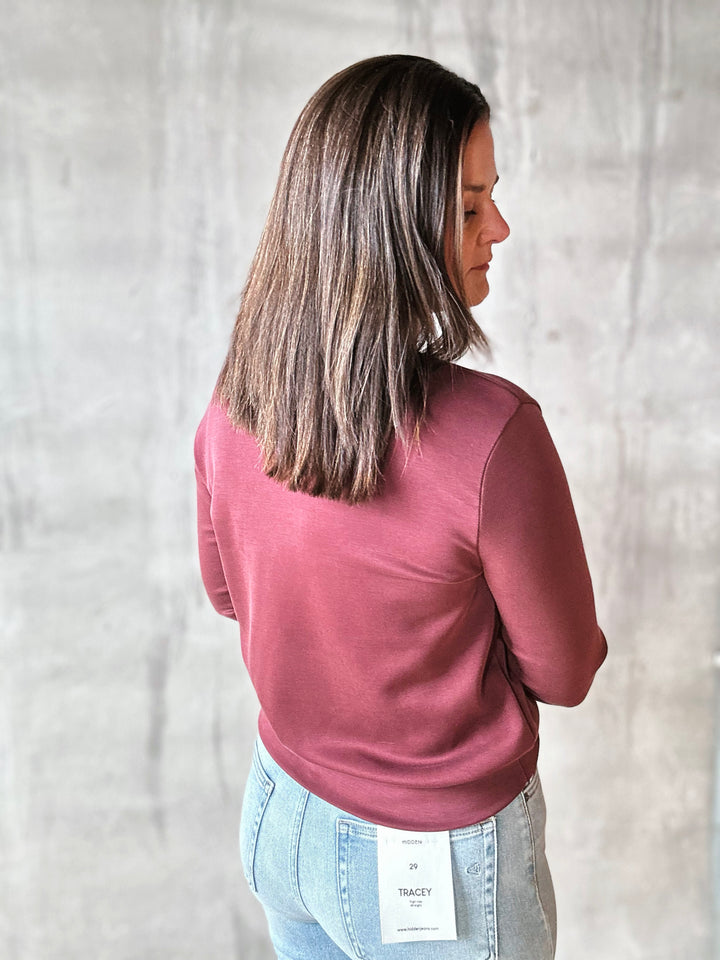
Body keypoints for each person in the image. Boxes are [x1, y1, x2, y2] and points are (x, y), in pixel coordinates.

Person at [194, 54, 607, 960]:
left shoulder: (236, 401)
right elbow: (569, 670)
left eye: (492, 194)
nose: (498, 226)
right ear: (385, 225)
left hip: (281, 816)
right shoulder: (492, 436)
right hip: (436, 864)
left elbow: (232, 594)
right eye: (467, 206)